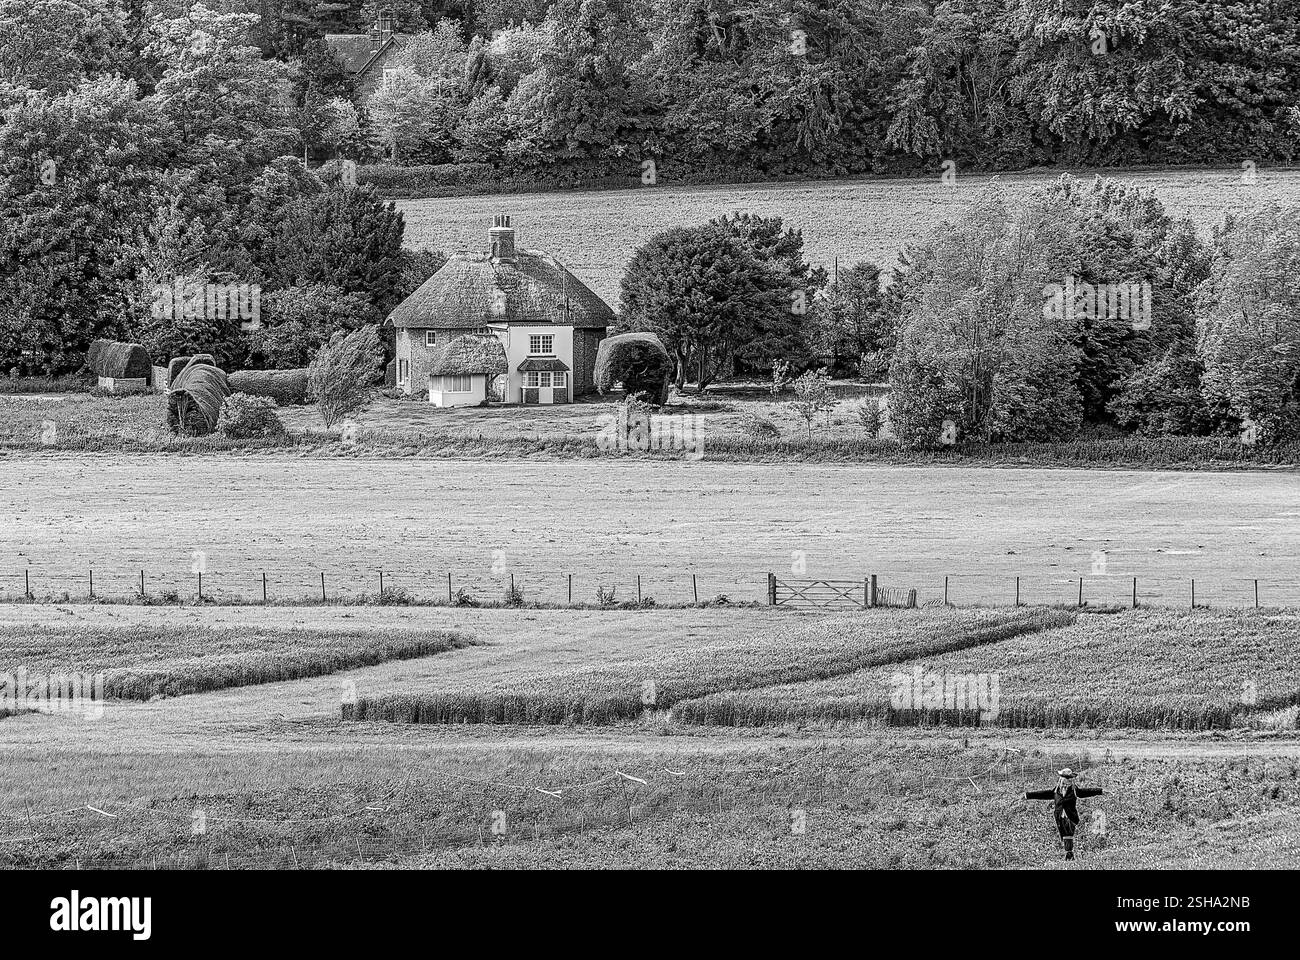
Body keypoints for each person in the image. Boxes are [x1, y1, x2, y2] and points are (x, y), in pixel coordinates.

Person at [1022, 768, 1103, 861]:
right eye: (1066, 778)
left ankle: (1071, 853)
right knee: (1063, 834)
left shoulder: (1074, 790)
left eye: (1069, 779)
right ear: (1061, 779)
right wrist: (1027, 795)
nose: (1067, 781)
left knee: (1069, 833)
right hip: (1059, 816)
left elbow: (1086, 792)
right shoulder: (1056, 791)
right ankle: (1068, 854)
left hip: (1071, 816)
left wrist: (1100, 791)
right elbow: (1043, 794)